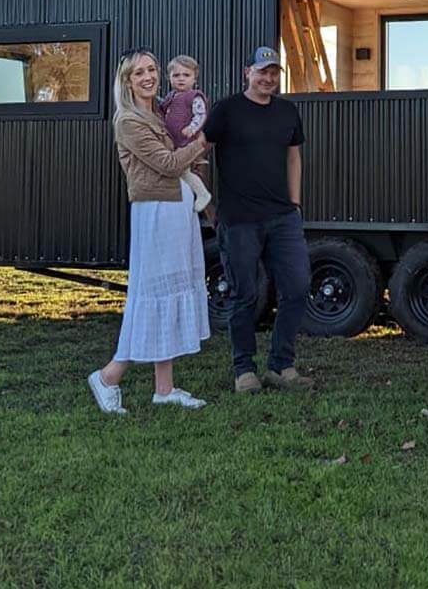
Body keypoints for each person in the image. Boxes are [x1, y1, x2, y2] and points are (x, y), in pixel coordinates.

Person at [87, 49, 211, 414]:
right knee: (151, 297)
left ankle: (164, 388)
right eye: (139, 72)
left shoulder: (159, 110)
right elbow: (168, 164)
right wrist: (204, 140)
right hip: (156, 213)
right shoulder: (128, 121)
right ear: (127, 81)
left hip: (176, 210)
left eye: (152, 69)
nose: (148, 77)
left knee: (169, 292)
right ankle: (109, 376)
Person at [203, 46, 313, 394]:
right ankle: (244, 370)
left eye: (273, 73)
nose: (268, 78)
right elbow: (198, 155)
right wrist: (208, 207)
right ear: (246, 72)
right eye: (261, 71)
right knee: (244, 294)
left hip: (283, 218)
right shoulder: (226, 110)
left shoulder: (287, 111)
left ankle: (281, 366)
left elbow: (294, 158)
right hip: (239, 220)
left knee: (296, 288)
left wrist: (295, 203)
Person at [159, 54, 213, 215]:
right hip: (173, 141)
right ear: (169, 77)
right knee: (180, 172)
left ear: (194, 78)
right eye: (176, 75)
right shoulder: (171, 96)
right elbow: (162, 109)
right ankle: (188, 197)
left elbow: (200, 115)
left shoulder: (194, 96)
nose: (181, 79)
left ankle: (202, 194)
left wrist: (192, 128)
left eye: (186, 75)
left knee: (183, 172)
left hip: (187, 140)